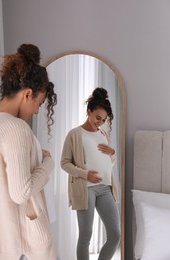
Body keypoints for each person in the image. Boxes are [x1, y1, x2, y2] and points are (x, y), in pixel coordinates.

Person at [0, 43, 57, 260]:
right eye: (39, 103)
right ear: (27, 94)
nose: (36, 111)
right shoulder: (16, 128)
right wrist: (48, 165)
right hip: (22, 244)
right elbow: (21, 192)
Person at [61, 87, 120, 260]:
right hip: (86, 188)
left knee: (115, 234)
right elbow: (65, 163)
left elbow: (109, 164)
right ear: (89, 111)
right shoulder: (74, 134)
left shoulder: (104, 134)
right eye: (97, 117)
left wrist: (113, 153)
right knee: (86, 235)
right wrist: (86, 174)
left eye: (103, 119)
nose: (100, 122)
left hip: (106, 188)